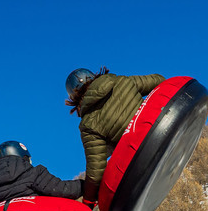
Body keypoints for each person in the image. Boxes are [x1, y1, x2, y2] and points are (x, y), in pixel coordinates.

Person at [64, 67, 166, 203]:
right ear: (92, 76)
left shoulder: (88, 124)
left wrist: (89, 200)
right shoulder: (121, 81)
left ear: (74, 98)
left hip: (144, 156)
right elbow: (159, 80)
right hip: (161, 131)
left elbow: (96, 170)